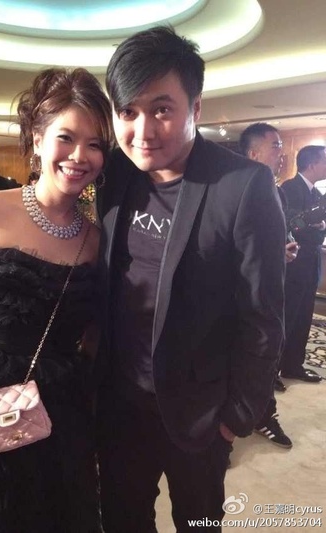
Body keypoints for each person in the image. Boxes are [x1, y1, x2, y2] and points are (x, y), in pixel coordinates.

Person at [96, 26, 286, 533]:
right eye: (127, 112)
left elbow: (263, 316)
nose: (142, 131)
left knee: (199, 523)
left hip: (200, 413)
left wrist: (237, 415)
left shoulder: (243, 184)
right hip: (119, 407)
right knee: (122, 520)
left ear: (195, 108)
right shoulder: (114, 173)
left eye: (162, 109)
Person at [0, 67, 112, 532]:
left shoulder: (95, 240)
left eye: (95, 144)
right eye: (66, 138)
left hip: (56, 415)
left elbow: (93, 336)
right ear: (38, 139)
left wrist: (90, 411)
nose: (80, 156)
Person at [239, 123, 293, 448]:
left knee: (269, 353)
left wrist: (282, 251)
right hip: (239, 294)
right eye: (276, 145)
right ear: (254, 153)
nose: (282, 153)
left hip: (271, 291)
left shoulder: (278, 192)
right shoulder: (231, 191)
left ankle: (264, 414)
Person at [279, 145, 326, 383]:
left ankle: (293, 365)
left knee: (304, 315)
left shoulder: (317, 194)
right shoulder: (289, 188)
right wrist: (313, 226)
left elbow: (317, 233)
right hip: (293, 262)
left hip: (311, 262)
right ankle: (271, 370)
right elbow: (289, 225)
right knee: (286, 316)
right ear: (312, 164)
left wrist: (320, 227)